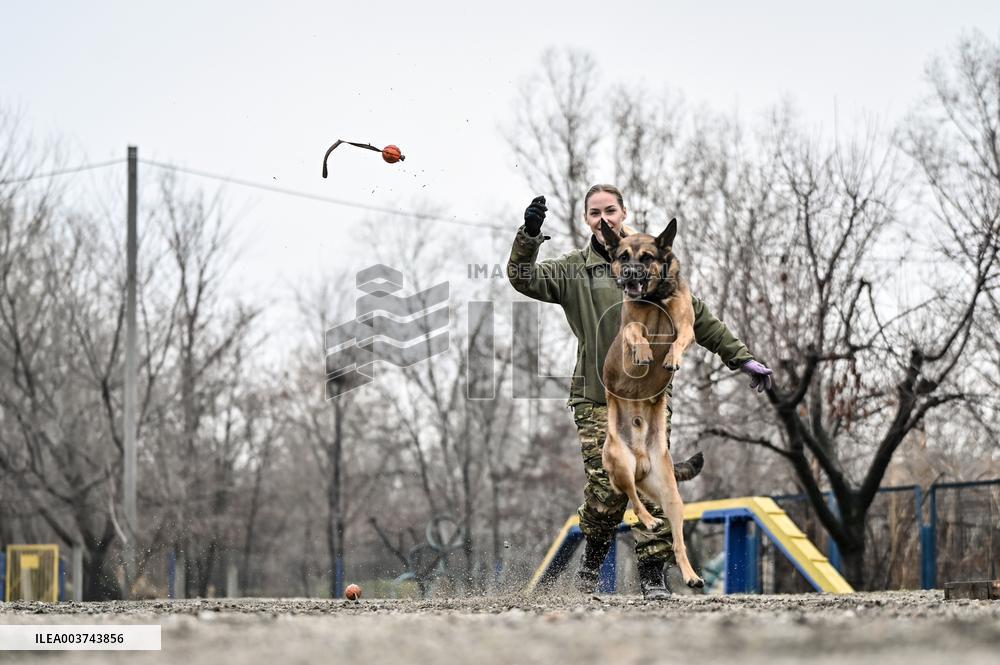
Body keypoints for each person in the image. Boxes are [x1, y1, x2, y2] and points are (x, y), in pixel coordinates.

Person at [506, 185, 773, 599]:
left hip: (649, 398)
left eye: (610, 210)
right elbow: (523, 279)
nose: (603, 218)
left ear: (623, 211)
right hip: (598, 396)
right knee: (608, 490)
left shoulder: (652, 261)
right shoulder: (575, 269)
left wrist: (740, 357)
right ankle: (594, 555)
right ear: (586, 220)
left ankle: (652, 575)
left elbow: (696, 316)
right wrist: (528, 236)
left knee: (653, 478)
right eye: (594, 213)